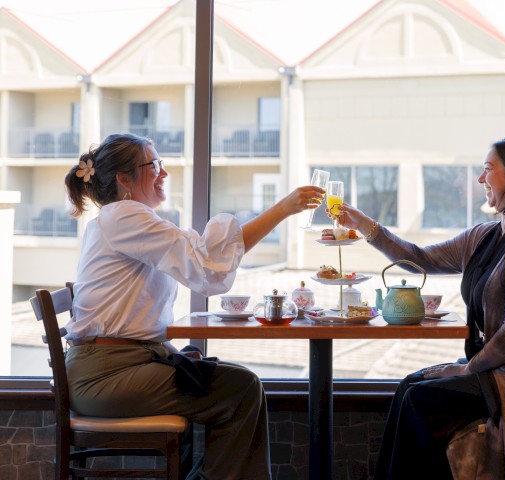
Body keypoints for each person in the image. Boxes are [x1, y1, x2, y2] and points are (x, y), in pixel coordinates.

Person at [63, 133, 325, 480]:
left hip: (113, 368)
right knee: (242, 388)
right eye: (153, 164)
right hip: (106, 378)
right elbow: (206, 262)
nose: (164, 172)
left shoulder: (123, 219)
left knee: (231, 382)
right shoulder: (124, 217)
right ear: (124, 179)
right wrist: (282, 210)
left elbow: (203, 259)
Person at [338, 136, 505, 479]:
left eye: (487, 169)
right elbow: (419, 259)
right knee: (409, 386)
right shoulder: (486, 236)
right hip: (498, 370)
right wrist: (365, 226)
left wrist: (468, 369)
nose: (480, 179)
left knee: (420, 402)